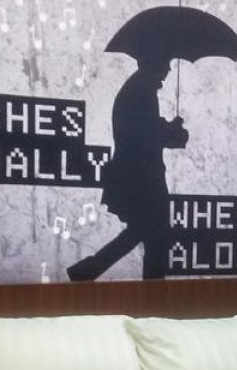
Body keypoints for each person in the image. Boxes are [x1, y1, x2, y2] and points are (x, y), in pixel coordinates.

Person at [67, 58, 187, 281]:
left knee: (144, 232)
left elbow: (145, 130)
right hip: (142, 180)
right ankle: (150, 289)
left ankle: (88, 270)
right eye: (165, 63)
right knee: (153, 234)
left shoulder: (138, 89)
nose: (169, 69)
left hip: (136, 177)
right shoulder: (141, 92)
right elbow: (145, 135)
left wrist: (168, 129)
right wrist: (172, 131)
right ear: (153, 62)